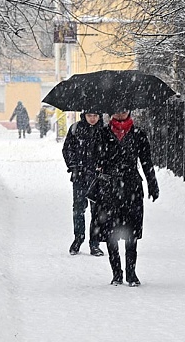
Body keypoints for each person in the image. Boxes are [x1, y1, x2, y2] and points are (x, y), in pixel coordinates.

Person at [95, 110, 159, 286]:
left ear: (129, 111)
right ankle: (117, 273)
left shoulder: (138, 134)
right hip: (109, 189)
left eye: (124, 110)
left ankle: (131, 273)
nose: (121, 113)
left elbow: (146, 161)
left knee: (131, 232)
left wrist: (152, 184)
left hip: (132, 187)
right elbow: (94, 158)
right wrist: (101, 165)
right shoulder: (102, 133)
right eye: (117, 109)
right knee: (110, 233)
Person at [63, 112, 105, 256]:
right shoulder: (75, 129)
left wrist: (103, 165)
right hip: (79, 177)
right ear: (84, 115)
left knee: (97, 211)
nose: (92, 118)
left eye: (95, 115)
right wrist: (73, 166)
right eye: (90, 115)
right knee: (78, 209)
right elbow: (67, 149)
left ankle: (95, 243)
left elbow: (110, 153)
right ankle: (78, 238)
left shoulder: (104, 131)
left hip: (98, 178)